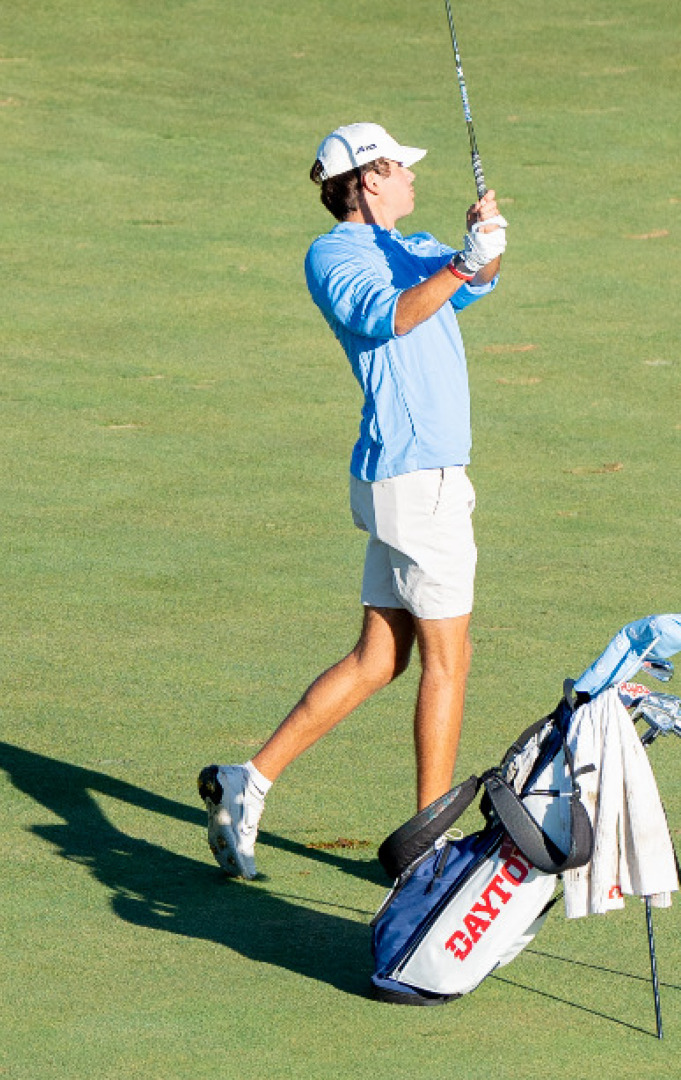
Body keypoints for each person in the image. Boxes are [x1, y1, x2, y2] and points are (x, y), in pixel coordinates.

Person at [198, 122, 507, 879]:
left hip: (414, 478)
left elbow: (473, 279)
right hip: (413, 478)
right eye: (400, 169)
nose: (411, 179)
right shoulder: (333, 254)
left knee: (380, 658)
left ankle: (249, 780)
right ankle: (426, 848)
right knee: (449, 660)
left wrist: (483, 244)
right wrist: (463, 267)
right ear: (369, 179)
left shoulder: (410, 245)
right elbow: (390, 315)